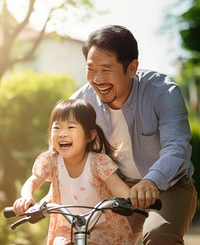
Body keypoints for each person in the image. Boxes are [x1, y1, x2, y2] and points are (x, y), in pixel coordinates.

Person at [70, 24, 197, 245]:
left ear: (132, 68)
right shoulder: (82, 103)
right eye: (91, 69)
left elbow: (177, 147)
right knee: (87, 238)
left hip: (169, 186)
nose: (97, 79)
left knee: (159, 235)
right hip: (118, 191)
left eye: (106, 69)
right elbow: (65, 152)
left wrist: (151, 181)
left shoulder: (162, 91)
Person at [13, 98, 135, 245]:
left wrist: (132, 199)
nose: (62, 133)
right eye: (56, 127)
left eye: (70, 127)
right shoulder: (51, 161)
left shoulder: (98, 163)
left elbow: (116, 186)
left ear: (90, 135)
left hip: (104, 229)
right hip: (67, 228)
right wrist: (26, 197)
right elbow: (33, 181)